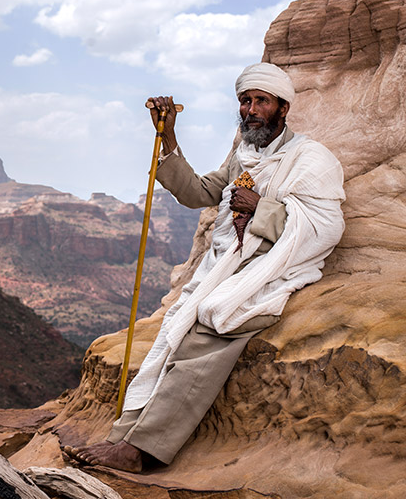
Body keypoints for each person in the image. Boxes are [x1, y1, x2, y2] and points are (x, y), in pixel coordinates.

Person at [64, 62, 346, 473]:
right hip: (223, 268)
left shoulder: (310, 158)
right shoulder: (243, 157)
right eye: (245, 101)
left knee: (202, 336)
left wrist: (261, 208)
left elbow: (324, 228)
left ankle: (139, 450)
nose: (251, 110)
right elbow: (198, 193)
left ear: (283, 108)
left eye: (261, 101)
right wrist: (169, 138)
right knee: (171, 335)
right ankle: (121, 437)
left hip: (268, 272)